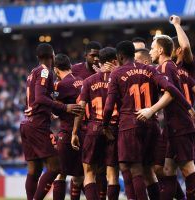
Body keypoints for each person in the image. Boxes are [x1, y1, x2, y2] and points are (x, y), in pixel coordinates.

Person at [103, 40, 194, 199]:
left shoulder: (116, 73)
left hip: (129, 125)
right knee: (150, 170)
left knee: (135, 169)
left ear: (120, 56)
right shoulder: (150, 70)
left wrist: (105, 126)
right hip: (152, 126)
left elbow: (109, 106)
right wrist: (188, 106)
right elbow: (171, 88)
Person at [148, 36, 195, 199]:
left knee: (188, 169)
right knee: (166, 169)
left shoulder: (165, 67)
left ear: (161, 50)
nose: (150, 51)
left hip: (179, 125)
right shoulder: (177, 68)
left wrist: (151, 110)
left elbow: (170, 94)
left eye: (152, 48)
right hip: (176, 125)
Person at [20, 43, 81, 200]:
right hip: (38, 125)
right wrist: (65, 107)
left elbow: (36, 98)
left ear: (37, 57)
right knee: (55, 167)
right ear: (53, 56)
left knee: (34, 170)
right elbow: (40, 97)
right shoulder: (45, 71)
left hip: (27, 123)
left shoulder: (32, 72)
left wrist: (51, 109)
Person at [72, 47, 120, 200]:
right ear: (115, 60)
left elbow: (80, 108)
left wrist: (74, 132)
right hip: (114, 128)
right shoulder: (120, 77)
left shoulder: (89, 81)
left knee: (89, 173)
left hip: (93, 128)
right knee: (112, 175)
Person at [52, 54, 84, 200]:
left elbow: (54, 109)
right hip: (84, 131)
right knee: (79, 175)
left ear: (56, 70)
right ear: (70, 66)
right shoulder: (81, 81)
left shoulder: (60, 85)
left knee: (60, 172)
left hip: (68, 132)